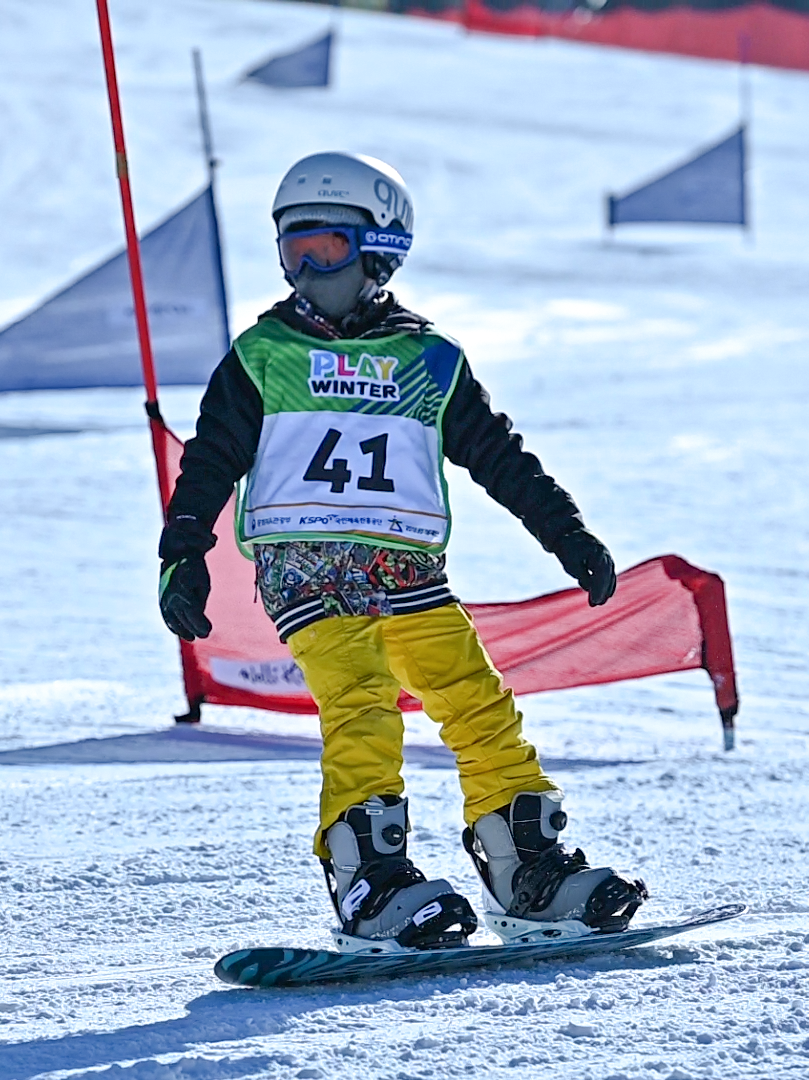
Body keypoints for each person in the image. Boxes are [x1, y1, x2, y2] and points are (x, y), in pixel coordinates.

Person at [158, 152, 648, 952]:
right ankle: (371, 882)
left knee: (478, 704)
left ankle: (526, 869)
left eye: (327, 249)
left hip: (408, 573)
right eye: (293, 250)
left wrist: (568, 535)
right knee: (361, 708)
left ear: (380, 251)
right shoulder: (265, 355)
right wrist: (184, 556)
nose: (307, 271)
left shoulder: (428, 362)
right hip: (308, 573)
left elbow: (500, 458)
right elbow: (210, 461)